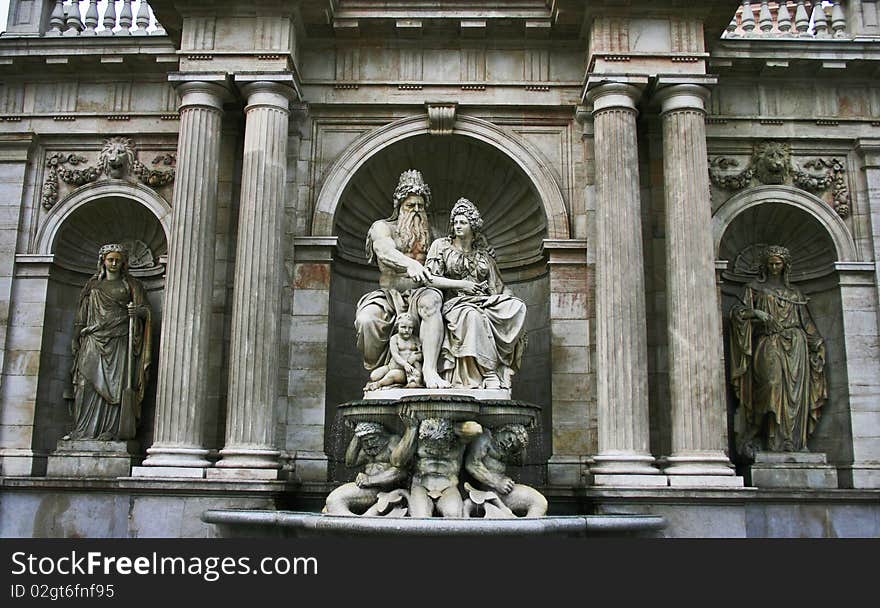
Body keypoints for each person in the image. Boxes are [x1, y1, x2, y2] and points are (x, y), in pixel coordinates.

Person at [355, 170, 451, 389]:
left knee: (431, 302)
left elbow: (451, 258)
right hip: (390, 295)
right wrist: (411, 264)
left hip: (423, 292)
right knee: (367, 319)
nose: (416, 211)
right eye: (410, 206)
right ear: (399, 206)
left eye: (420, 206)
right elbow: (383, 250)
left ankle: (429, 370)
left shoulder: (433, 233)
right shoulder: (383, 227)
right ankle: (381, 370)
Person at [729, 245, 827, 456]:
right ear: (765, 265)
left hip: (796, 345)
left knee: (794, 395)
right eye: (771, 264)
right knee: (771, 385)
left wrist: (816, 344)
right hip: (768, 341)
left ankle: (791, 440)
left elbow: (806, 322)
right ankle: (768, 436)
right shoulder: (753, 288)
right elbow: (736, 313)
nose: (774, 267)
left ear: (785, 266)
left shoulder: (795, 293)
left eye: (778, 264)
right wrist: (756, 313)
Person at [425, 198, 527, 389]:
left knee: (517, 307)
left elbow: (498, 286)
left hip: (484, 300)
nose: (457, 226)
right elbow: (429, 278)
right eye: (455, 222)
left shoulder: (484, 255)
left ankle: (503, 368)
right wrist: (462, 285)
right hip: (455, 303)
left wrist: (510, 297)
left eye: (462, 222)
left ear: (473, 226)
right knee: (473, 316)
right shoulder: (441, 246)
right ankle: (489, 374)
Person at [66, 243, 152, 440]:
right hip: (93, 339)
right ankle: (83, 430)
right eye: (110, 259)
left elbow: (146, 311)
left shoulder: (132, 286)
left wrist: (138, 312)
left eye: (118, 260)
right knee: (84, 384)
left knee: (116, 386)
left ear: (123, 263)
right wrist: (76, 337)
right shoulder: (92, 286)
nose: (114, 263)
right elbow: (82, 316)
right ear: (103, 261)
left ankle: (111, 430)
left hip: (120, 340)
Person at [391, 406, 482, 517]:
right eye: (429, 446)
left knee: (453, 514)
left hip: (448, 486)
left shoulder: (459, 439)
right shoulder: (418, 436)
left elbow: (477, 429)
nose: (434, 450)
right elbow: (397, 461)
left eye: (440, 445)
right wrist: (412, 429)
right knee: (421, 516)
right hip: (421, 485)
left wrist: (446, 427)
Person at [324, 422, 410, 516]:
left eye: (373, 438)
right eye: (365, 441)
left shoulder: (392, 441)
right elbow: (350, 462)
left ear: (382, 435)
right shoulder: (368, 449)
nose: (369, 443)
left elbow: (401, 471)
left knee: (335, 500)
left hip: (382, 488)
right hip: (368, 487)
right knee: (334, 500)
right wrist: (357, 435)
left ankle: (353, 526)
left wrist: (370, 480)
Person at [464, 424, 548, 517]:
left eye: (512, 446)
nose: (508, 445)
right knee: (538, 502)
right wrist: (497, 482)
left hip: (502, 490)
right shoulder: (485, 437)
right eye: (509, 439)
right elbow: (471, 464)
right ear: (504, 429)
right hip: (490, 489)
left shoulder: (504, 449)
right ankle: (526, 530)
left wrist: (519, 446)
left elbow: (521, 460)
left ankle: (526, 529)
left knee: (540, 503)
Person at [364, 312, 423, 390]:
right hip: (391, 366)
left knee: (392, 374)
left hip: (405, 372)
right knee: (374, 375)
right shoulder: (395, 338)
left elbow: (422, 355)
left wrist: (415, 357)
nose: (407, 330)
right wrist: (405, 364)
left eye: (410, 328)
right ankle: (379, 381)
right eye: (403, 327)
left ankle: (378, 384)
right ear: (397, 327)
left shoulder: (415, 340)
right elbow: (395, 354)